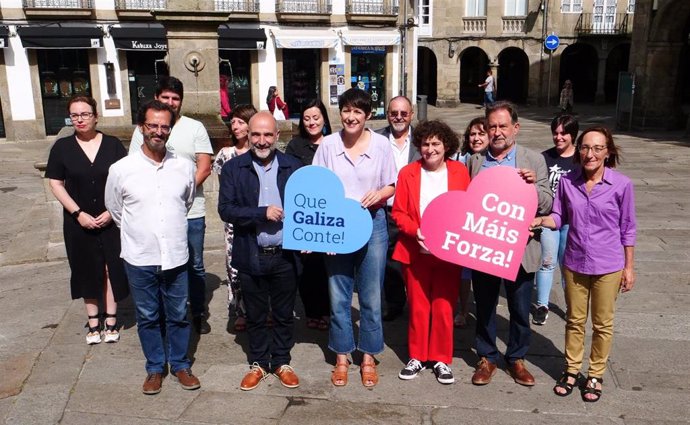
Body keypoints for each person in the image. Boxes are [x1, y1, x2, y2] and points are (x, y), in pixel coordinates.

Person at [531, 126, 636, 403]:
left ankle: (596, 374)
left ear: (608, 152)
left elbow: (628, 228)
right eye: (586, 148)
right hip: (575, 262)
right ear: (579, 151)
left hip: (608, 265)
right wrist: (539, 220)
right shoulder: (568, 182)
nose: (590, 154)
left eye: (597, 148)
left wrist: (629, 267)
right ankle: (571, 369)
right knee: (575, 321)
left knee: (602, 324)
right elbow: (558, 217)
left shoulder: (621, 185)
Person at [105, 100, 200, 395]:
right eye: (152, 126)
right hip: (139, 256)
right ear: (141, 127)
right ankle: (155, 368)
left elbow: (184, 203)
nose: (158, 132)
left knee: (179, 314)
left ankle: (181, 365)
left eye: (164, 126)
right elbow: (115, 209)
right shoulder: (121, 169)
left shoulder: (184, 167)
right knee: (147, 316)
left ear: (170, 129)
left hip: (175, 255)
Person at [313, 88, 397, 388]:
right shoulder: (327, 145)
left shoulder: (382, 145)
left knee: (372, 296)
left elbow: (391, 184)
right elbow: (317, 187)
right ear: (340, 113)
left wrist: (380, 193)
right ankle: (342, 355)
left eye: (358, 112)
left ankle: (369, 356)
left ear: (367, 115)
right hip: (336, 225)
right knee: (338, 295)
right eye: (347, 110)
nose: (351, 117)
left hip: (372, 223)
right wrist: (324, 235)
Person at [466, 101, 552, 387]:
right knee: (486, 304)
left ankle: (516, 357)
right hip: (486, 247)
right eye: (492, 126)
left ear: (516, 128)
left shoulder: (533, 159)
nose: (497, 131)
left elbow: (547, 202)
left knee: (519, 306)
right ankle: (487, 356)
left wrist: (531, 187)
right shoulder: (475, 160)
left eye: (503, 126)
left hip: (521, 248)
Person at [218, 111, 303, 391]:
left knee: (283, 312)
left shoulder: (293, 166)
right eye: (256, 134)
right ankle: (258, 363)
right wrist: (261, 212)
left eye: (268, 134)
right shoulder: (234, 168)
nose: (262, 140)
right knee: (254, 313)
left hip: (284, 254)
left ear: (277, 136)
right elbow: (225, 209)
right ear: (248, 135)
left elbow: (309, 207)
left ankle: (280, 361)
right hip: (250, 251)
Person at [129, 76, 214, 335]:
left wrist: (180, 195)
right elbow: (135, 166)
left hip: (192, 212)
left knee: (195, 264)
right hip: (155, 213)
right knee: (161, 264)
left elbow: (205, 165)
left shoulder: (195, 127)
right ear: (157, 97)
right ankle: (166, 313)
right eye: (165, 97)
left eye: (175, 98)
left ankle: (198, 311)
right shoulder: (143, 129)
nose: (170, 102)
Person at [45, 95, 129, 345]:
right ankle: (94, 321)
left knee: (109, 267)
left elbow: (124, 181)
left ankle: (111, 318)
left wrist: (111, 211)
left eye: (84, 114)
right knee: (86, 268)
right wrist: (78, 213)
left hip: (109, 219)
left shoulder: (113, 145)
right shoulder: (62, 147)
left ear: (95, 115)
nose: (79, 119)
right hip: (78, 222)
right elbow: (56, 183)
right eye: (74, 115)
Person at [392, 120, 470, 385]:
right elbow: (399, 212)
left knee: (444, 307)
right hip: (416, 252)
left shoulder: (459, 171)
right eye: (425, 143)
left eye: (436, 143)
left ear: (446, 145)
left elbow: (467, 209)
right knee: (418, 307)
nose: (430, 148)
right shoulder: (407, 173)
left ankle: (440, 359)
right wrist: (416, 231)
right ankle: (417, 356)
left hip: (448, 254)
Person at [285, 99, 332, 330]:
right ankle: (313, 311)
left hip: (331, 211)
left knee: (329, 264)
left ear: (324, 118)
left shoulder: (334, 142)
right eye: (306, 118)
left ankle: (328, 310)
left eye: (316, 117)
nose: (312, 122)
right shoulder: (296, 146)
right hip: (306, 212)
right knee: (307, 265)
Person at [212, 104, 258, 333]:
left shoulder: (261, 151)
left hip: (260, 219)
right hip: (233, 222)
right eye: (233, 122)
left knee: (263, 263)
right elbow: (225, 194)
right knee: (235, 267)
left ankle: (263, 308)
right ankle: (240, 310)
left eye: (241, 121)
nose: (236, 125)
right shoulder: (224, 155)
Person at [375, 95, 420, 322]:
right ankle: (394, 304)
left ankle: (418, 303)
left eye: (404, 113)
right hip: (387, 210)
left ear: (411, 114)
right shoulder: (376, 139)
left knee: (416, 260)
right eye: (394, 113)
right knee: (390, 261)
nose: (399, 117)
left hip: (415, 212)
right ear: (388, 114)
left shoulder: (422, 139)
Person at [532, 114, 578, 325]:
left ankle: (571, 306)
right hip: (548, 218)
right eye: (556, 133)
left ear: (573, 135)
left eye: (563, 133)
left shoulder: (580, 158)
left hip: (571, 221)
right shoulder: (544, 157)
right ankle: (542, 304)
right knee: (547, 261)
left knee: (567, 264)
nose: (558, 137)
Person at [449, 117, 489, 328]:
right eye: (472, 134)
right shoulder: (460, 158)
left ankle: (483, 313)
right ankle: (462, 310)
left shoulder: (492, 160)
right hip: (463, 221)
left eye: (481, 134)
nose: (476, 138)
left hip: (485, 223)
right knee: (463, 272)